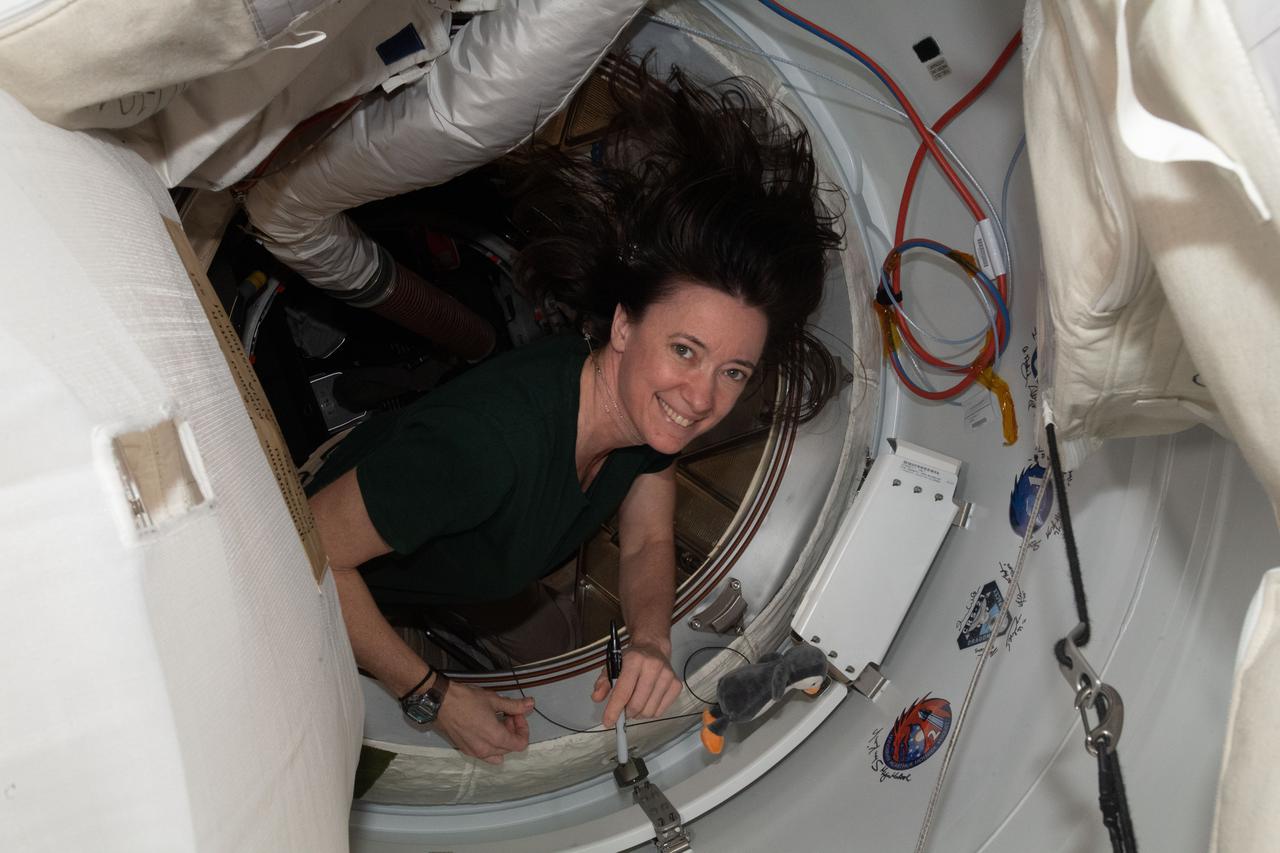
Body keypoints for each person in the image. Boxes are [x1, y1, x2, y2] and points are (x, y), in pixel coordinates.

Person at [306, 61, 842, 765]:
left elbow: (649, 538)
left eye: (732, 370)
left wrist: (650, 639)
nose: (703, 397)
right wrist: (433, 695)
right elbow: (308, 554)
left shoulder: (645, 418)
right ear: (623, 325)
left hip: (409, 570)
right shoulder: (487, 446)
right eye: (685, 349)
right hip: (309, 565)